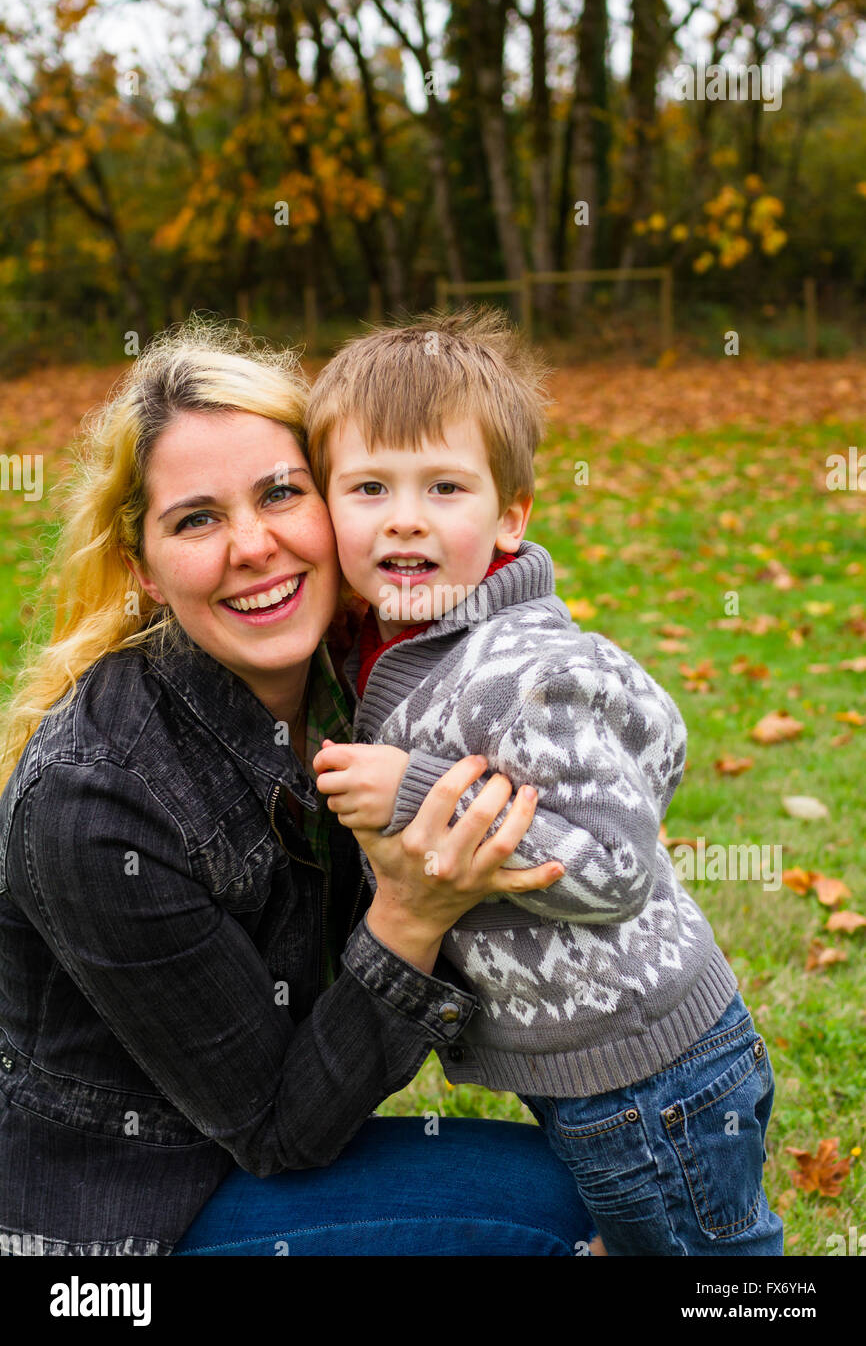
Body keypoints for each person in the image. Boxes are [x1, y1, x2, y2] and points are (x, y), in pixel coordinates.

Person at [0, 319, 594, 1257]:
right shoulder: (94, 804)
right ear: (144, 571)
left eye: (283, 492)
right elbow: (280, 1128)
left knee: (617, 1165)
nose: (253, 545)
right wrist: (411, 916)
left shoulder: (368, 673)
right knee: (562, 1218)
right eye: (196, 519)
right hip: (130, 1226)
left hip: (241, 1160)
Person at [308, 308, 785, 1257]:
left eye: (445, 487)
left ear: (509, 517)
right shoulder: (391, 640)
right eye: (369, 487)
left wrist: (415, 792)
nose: (404, 515)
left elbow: (614, 867)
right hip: (592, 1072)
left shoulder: (522, 673)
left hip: (654, 1080)